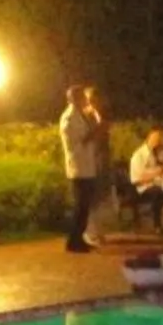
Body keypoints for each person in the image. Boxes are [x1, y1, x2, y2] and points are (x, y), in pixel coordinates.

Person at [57, 84, 103, 253]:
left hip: (86, 165)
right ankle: (73, 241)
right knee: (80, 205)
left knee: (85, 206)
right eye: (82, 97)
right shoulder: (68, 118)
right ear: (74, 98)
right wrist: (96, 130)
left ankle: (79, 239)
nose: (85, 100)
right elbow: (77, 141)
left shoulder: (79, 115)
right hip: (79, 167)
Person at [128, 125, 163, 231]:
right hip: (145, 186)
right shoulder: (139, 155)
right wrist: (156, 174)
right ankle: (157, 225)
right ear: (148, 138)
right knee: (159, 192)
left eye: (159, 139)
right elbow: (136, 178)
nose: (158, 141)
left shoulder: (161, 153)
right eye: (155, 138)